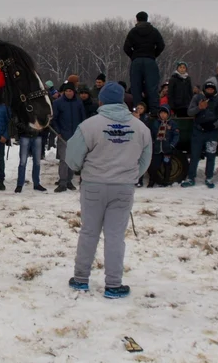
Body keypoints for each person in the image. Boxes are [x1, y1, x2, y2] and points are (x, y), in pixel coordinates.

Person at [65, 81, 152, 298]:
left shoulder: (89, 126)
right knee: (115, 236)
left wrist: (83, 168)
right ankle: (113, 284)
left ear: (101, 100)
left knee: (89, 231)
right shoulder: (141, 128)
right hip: (123, 188)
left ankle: (80, 278)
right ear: (123, 101)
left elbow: (72, 159)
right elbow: (144, 161)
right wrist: (130, 175)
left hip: (93, 186)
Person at [181, 79, 218, 189]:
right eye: (208, 88)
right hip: (198, 131)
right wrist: (199, 108)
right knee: (194, 155)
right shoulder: (197, 98)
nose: (209, 90)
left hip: (212, 132)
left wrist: (214, 125)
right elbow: (190, 112)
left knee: (211, 155)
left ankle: (209, 177)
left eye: (212, 89)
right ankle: (191, 177)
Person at [123, 11, 166, 117]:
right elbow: (161, 45)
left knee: (136, 87)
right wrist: (153, 55)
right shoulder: (154, 31)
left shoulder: (133, 31)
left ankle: (138, 112)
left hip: (137, 61)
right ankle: (155, 113)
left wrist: (134, 56)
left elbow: (126, 47)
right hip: (150, 61)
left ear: (137, 19)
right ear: (147, 19)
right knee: (152, 87)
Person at [52, 82, 86, 192]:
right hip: (63, 135)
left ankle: (69, 181)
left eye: (70, 91)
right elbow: (54, 119)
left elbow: (82, 118)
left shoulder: (78, 103)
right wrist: (58, 131)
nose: (68, 93)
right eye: (66, 91)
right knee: (64, 159)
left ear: (73, 92)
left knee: (72, 159)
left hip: (75, 135)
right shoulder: (58, 103)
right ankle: (62, 182)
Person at [147, 105, 179, 187]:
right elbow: (152, 133)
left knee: (167, 165)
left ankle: (166, 181)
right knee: (154, 166)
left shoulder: (172, 123)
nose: (163, 115)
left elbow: (176, 135)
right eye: (161, 113)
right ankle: (152, 181)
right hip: (157, 148)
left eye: (165, 113)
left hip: (167, 149)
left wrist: (172, 145)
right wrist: (153, 142)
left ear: (168, 114)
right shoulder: (155, 123)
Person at [15, 119, 46, 193]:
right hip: (25, 135)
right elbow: (17, 121)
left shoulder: (41, 108)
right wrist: (27, 128)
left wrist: (42, 128)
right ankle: (20, 184)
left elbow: (45, 120)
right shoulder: (24, 108)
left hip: (37, 136)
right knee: (23, 162)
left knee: (37, 162)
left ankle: (36, 184)